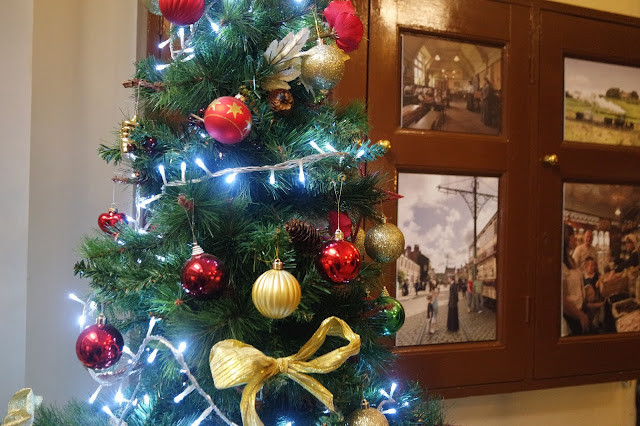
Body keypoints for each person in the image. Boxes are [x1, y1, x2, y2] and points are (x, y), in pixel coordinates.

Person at [561, 224, 589, 336]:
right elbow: (562, 299)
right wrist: (580, 315)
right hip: (571, 317)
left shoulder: (571, 259)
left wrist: (586, 289)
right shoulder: (562, 264)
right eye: (572, 235)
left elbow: (574, 287)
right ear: (565, 238)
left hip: (579, 311)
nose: (575, 238)